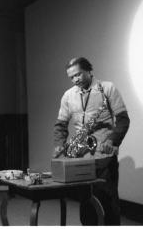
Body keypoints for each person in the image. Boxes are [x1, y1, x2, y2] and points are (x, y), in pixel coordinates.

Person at [53, 57, 130, 225]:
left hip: (103, 154)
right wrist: (59, 144)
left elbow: (123, 120)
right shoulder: (68, 95)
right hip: (81, 156)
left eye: (78, 75)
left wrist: (112, 141)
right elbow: (60, 125)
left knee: (107, 201)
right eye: (71, 77)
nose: (75, 80)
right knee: (86, 202)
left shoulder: (107, 88)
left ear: (89, 70)